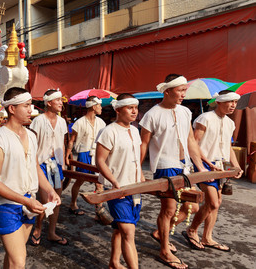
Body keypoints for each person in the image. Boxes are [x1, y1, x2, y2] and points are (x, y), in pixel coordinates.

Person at [0, 87, 61, 269]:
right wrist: (24, 201)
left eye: (31, 105)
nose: (31, 110)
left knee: (13, 257)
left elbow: (35, 167)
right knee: (19, 261)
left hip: (29, 202)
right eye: (26, 106)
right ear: (12, 108)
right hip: (6, 204)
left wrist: (50, 190)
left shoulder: (31, 136)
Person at [140, 74, 207, 269]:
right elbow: (143, 144)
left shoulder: (186, 111)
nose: (184, 94)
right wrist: (138, 170)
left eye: (185, 90)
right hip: (164, 165)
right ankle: (164, 250)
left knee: (192, 207)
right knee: (168, 209)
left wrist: (200, 167)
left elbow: (191, 141)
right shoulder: (151, 114)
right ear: (167, 91)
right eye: (180, 90)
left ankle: (161, 232)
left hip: (184, 166)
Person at [186, 90, 243, 252]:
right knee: (213, 201)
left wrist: (236, 165)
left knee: (217, 203)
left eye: (235, 102)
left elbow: (228, 147)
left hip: (221, 167)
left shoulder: (230, 123)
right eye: (229, 102)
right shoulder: (205, 118)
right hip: (203, 166)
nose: (233, 105)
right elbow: (194, 144)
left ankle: (207, 237)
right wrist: (206, 163)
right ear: (219, 102)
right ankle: (192, 230)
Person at [96, 94, 144, 269]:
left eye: (136, 107)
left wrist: (142, 178)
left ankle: (114, 263)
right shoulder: (109, 131)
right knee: (129, 232)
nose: (134, 111)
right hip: (116, 189)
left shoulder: (135, 130)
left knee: (120, 228)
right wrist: (114, 182)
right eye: (129, 107)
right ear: (118, 109)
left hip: (134, 188)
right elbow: (100, 161)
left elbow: (136, 157)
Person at [29, 89, 68, 246]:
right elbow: (32, 144)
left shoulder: (62, 121)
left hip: (56, 163)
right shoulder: (38, 121)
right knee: (45, 201)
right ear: (49, 103)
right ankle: (38, 228)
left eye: (61, 100)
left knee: (57, 200)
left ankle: (52, 232)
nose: (61, 103)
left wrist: (64, 162)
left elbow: (63, 143)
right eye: (57, 100)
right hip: (41, 164)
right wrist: (33, 164)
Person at [65, 96, 106, 216]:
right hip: (84, 154)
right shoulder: (80, 122)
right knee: (80, 180)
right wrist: (68, 155)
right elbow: (72, 140)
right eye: (99, 105)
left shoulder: (101, 122)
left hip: (97, 154)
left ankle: (99, 211)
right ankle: (73, 204)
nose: (101, 108)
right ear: (93, 107)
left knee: (99, 183)